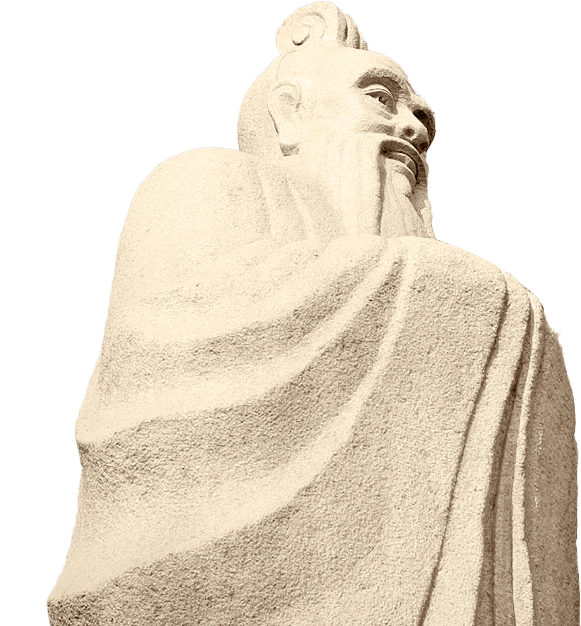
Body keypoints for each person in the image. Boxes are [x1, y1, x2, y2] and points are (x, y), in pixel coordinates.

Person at [47, 3, 578, 625]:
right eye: (381, 99)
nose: (412, 128)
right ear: (290, 112)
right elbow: (173, 348)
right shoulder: (209, 178)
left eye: (423, 119)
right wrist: (448, 289)